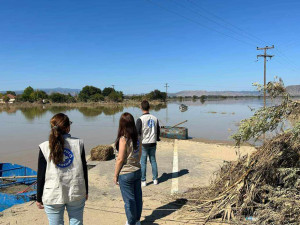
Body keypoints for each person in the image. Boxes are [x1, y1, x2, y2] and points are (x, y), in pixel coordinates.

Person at [36, 113, 88, 225]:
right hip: (76, 191)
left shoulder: (44, 146)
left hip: (52, 193)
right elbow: (84, 170)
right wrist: (86, 190)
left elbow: (41, 175)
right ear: (68, 127)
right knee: (76, 222)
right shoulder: (78, 143)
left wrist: (38, 197)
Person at [114, 112, 143, 225]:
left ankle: (131, 222)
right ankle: (137, 220)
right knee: (137, 197)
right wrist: (135, 162)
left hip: (126, 173)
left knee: (129, 200)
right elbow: (140, 153)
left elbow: (120, 159)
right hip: (137, 170)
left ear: (122, 124)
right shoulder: (137, 137)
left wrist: (116, 174)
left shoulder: (123, 139)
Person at [136, 100, 160, 187]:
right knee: (153, 160)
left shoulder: (140, 119)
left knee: (143, 162)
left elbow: (137, 133)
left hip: (144, 143)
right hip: (153, 143)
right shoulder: (155, 118)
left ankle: (143, 181)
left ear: (141, 108)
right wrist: (157, 139)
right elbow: (158, 131)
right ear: (149, 107)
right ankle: (155, 179)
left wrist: (137, 144)